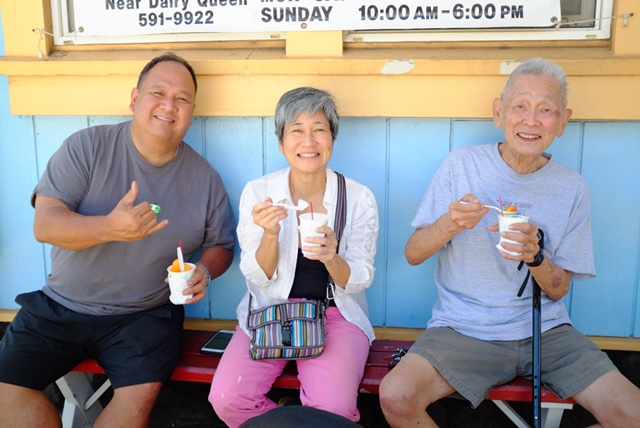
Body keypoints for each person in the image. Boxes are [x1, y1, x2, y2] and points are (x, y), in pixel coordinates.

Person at [379, 58, 640, 427]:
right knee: (396, 396)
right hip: (464, 329)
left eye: (545, 109)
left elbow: (559, 289)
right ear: (499, 113)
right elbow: (413, 253)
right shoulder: (461, 165)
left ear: (563, 122)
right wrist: (450, 223)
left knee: (634, 414)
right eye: (520, 106)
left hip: (546, 332)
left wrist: (536, 257)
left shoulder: (571, 186)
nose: (531, 120)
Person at [0, 53, 236, 428]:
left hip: (145, 316)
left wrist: (204, 272)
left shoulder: (205, 179)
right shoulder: (86, 147)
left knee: (135, 403)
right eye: (157, 92)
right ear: (134, 98)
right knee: (6, 392)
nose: (169, 106)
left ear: (192, 110)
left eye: (182, 98)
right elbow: (45, 225)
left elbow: (222, 245)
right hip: (61, 306)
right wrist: (110, 227)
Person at [209, 87, 379, 427]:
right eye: (296, 130)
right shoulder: (259, 193)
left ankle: (298, 419)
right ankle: (293, 418)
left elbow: (361, 277)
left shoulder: (357, 197)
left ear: (332, 137)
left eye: (319, 129)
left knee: (331, 412)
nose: (309, 141)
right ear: (281, 141)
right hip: (270, 311)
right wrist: (271, 234)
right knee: (228, 400)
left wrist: (332, 256)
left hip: (335, 314)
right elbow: (257, 275)